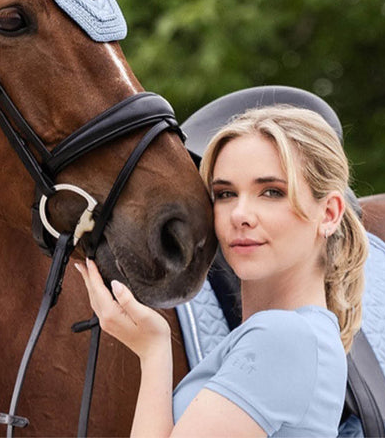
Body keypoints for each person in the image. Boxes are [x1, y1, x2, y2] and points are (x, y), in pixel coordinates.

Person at [77, 104, 367, 437]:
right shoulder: (300, 334)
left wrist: (154, 351)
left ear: (329, 214)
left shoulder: (283, 338)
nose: (239, 214)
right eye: (225, 194)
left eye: (272, 192)